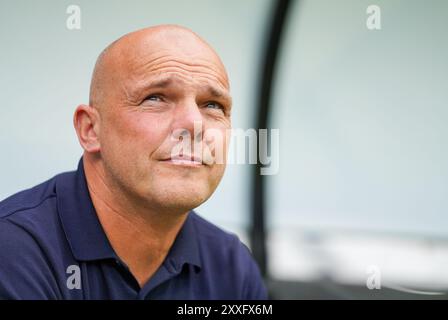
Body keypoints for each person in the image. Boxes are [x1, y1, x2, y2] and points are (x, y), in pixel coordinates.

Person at [0, 25, 267, 299]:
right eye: (155, 98)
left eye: (212, 105)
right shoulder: (14, 250)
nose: (195, 124)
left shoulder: (232, 267)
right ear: (90, 129)